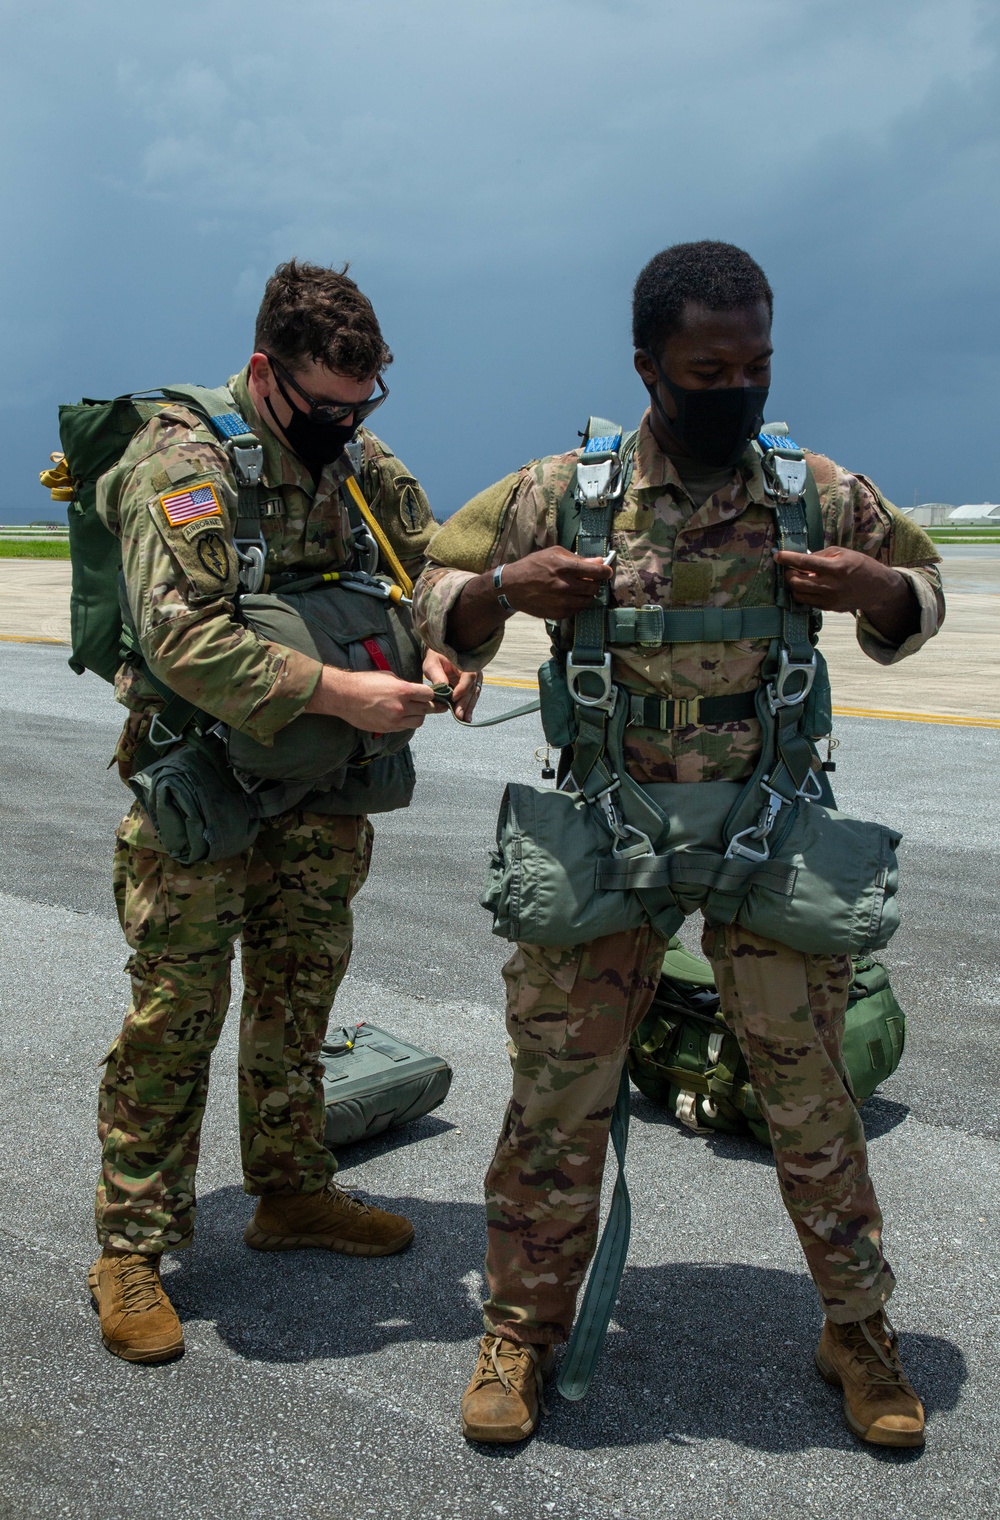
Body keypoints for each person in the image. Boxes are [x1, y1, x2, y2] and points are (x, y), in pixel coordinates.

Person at [413, 241, 944, 1448]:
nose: (737, 387)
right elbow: (433, 599)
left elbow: (925, 591)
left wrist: (878, 589)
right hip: (607, 827)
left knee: (812, 1095)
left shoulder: (812, 490)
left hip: (769, 830)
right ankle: (519, 1327)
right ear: (649, 365)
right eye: (709, 366)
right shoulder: (563, 490)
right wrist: (503, 586)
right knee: (557, 1096)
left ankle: (854, 1325)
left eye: (757, 363)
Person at [89, 259, 477, 1364]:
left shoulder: (354, 454)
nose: (348, 426)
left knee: (300, 994)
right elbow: (184, 640)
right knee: (175, 1015)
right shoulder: (184, 462)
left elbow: (429, 566)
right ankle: (132, 1244)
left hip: (316, 792)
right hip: (204, 786)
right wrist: (341, 691)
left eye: (364, 405)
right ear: (267, 372)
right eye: (326, 406)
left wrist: (451, 643)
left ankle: (291, 1189)